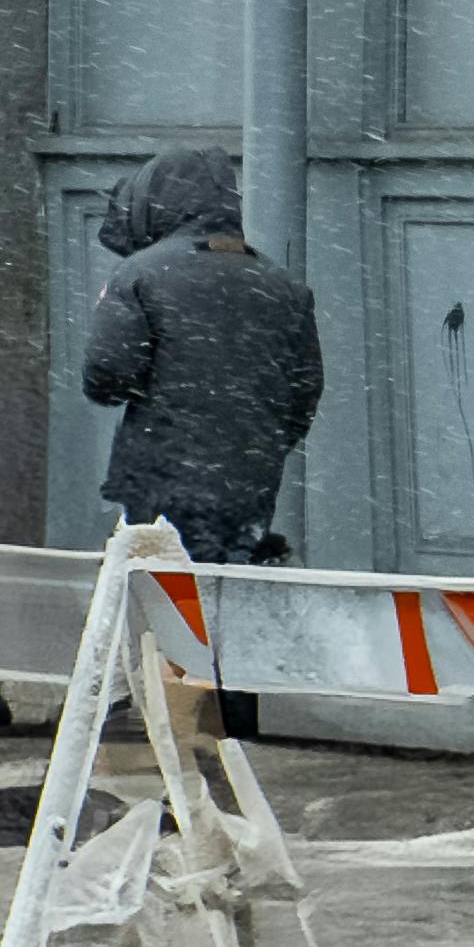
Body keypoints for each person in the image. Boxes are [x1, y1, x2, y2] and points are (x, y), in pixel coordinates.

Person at [78, 148, 324, 729]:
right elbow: (304, 393)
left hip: (162, 477)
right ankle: (231, 731)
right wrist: (255, 445)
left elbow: (106, 376)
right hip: (249, 483)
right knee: (227, 608)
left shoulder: (141, 274)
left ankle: (161, 735)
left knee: (158, 610)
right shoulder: (281, 283)